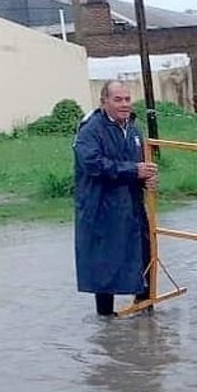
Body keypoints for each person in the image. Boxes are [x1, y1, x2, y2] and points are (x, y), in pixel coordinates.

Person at [74, 80, 159, 317]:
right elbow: (92, 164)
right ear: (104, 102)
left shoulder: (133, 129)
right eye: (118, 100)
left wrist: (147, 178)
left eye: (127, 99)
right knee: (105, 262)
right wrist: (134, 171)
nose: (124, 105)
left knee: (145, 253)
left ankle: (145, 311)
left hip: (131, 205)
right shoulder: (90, 130)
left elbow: (140, 164)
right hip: (101, 206)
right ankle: (105, 321)